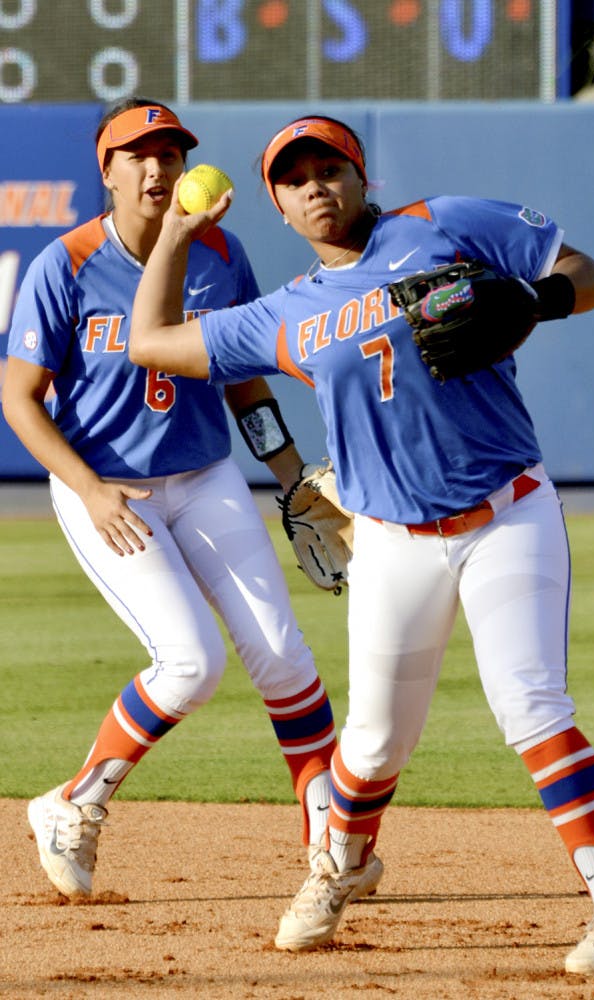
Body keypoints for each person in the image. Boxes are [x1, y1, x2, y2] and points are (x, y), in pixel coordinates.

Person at [127, 114, 594, 977]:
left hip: (508, 512)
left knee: (532, 707)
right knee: (373, 745)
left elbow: (587, 272)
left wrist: (539, 299)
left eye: (328, 168)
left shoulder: (442, 224)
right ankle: (338, 868)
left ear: (359, 173)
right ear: (276, 201)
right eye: (294, 178)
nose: (315, 187)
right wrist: (180, 235)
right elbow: (152, 341)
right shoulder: (283, 314)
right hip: (392, 542)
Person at [2, 100, 382, 905]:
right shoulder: (63, 266)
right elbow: (19, 398)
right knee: (191, 664)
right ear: (105, 172)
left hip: (206, 475)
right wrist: (87, 489)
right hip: (108, 486)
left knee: (283, 655)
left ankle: (329, 845)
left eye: (170, 153)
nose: (157, 168)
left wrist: (288, 475)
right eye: (136, 154)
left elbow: (243, 377)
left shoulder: (218, 252)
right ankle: (72, 804)